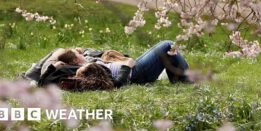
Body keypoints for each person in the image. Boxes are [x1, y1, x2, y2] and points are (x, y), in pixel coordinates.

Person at [27, 40, 190, 91]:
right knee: (168, 45)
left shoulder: (86, 62)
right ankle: (186, 82)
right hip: (136, 72)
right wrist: (127, 66)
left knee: (168, 50)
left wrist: (55, 66)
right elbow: (115, 84)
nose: (81, 53)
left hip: (133, 66)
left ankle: (181, 82)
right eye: (78, 54)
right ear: (75, 61)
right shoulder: (86, 69)